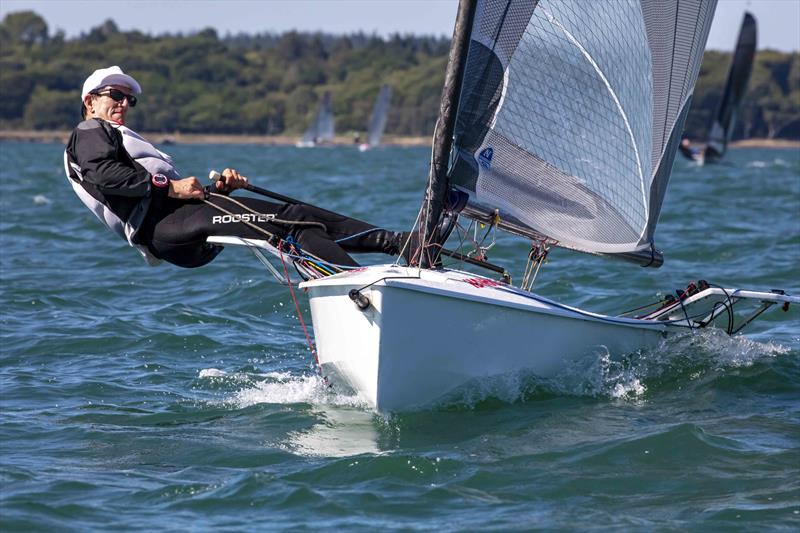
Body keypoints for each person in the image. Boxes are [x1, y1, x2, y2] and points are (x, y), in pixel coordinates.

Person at [64, 66, 412, 269]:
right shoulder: (89, 130)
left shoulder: (117, 134)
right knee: (291, 225)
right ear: (90, 101)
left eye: (130, 99)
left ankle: (399, 244)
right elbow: (105, 175)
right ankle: (361, 285)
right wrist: (171, 187)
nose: (125, 103)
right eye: (116, 95)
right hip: (162, 227)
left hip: (180, 218)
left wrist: (218, 191)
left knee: (297, 215)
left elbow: (160, 189)